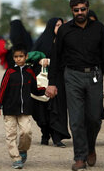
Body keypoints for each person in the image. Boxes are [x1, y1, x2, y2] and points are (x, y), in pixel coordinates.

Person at [46, 0, 104, 171]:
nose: (80, 12)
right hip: (72, 77)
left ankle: (91, 147)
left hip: (94, 76)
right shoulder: (64, 30)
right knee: (76, 120)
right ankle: (79, 157)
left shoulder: (98, 28)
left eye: (83, 9)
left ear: (88, 8)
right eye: (76, 10)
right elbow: (56, 57)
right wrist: (52, 83)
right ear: (72, 10)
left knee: (94, 118)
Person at [0, 44, 42, 169]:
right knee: (10, 135)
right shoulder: (9, 72)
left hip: (24, 109)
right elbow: (2, 89)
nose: (18, 59)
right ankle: (16, 158)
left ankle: (22, 150)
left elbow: (35, 89)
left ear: (26, 57)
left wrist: (45, 90)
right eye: (16, 57)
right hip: (9, 109)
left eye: (21, 56)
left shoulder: (29, 72)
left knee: (27, 132)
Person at [30, 18, 71, 147]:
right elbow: (30, 57)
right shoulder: (43, 40)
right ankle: (45, 133)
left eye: (61, 25)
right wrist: (40, 61)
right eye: (57, 25)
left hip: (60, 79)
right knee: (41, 107)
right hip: (43, 79)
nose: (59, 27)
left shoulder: (66, 41)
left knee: (57, 107)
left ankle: (57, 136)